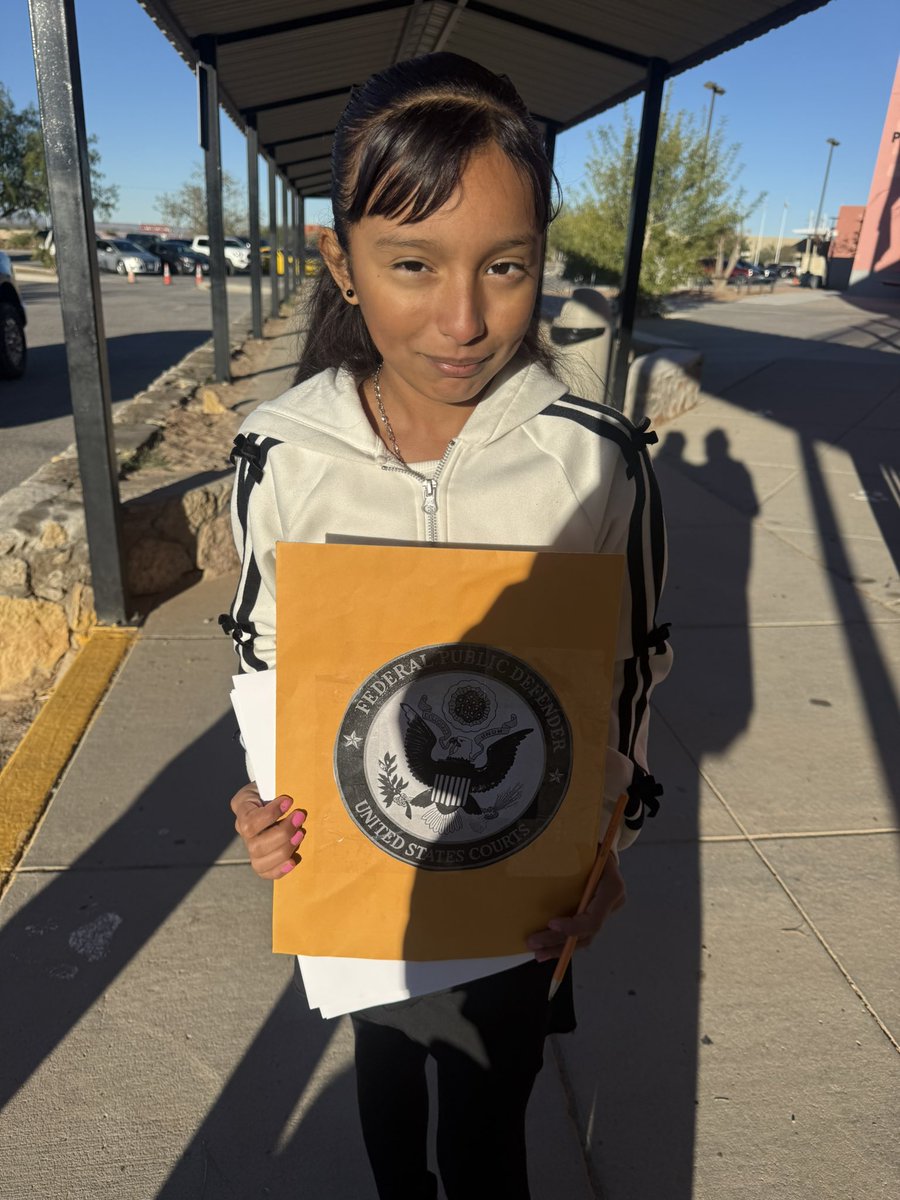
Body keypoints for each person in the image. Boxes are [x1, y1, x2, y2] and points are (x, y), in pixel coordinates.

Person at [222, 52, 672, 1200]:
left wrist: (612, 836)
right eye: (412, 264)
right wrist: (263, 798)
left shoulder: (594, 458)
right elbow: (266, 654)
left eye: (507, 267)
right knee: (387, 1080)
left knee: (489, 1122)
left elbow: (630, 668)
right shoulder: (280, 453)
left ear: (541, 256)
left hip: (521, 894)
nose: (465, 320)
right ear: (339, 259)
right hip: (361, 877)